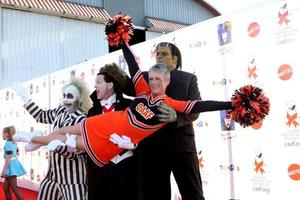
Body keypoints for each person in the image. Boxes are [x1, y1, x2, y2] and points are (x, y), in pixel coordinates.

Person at [13, 44, 232, 169]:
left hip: (125, 138)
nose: (154, 82)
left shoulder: (172, 99)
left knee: (70, 141)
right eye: (152, 78)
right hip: (110, 123)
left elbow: (200, 105)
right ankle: (36, 139)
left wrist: (232, 103)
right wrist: (123, 40)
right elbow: (133, 65)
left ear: (167, 80)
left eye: (159, 79)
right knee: (64, 132)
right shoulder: (143, 88)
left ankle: (34, 139)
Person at [137, 42, 206, 200]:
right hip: (152, 148)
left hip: (182, 146)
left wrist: (177, 117)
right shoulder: (146, 77)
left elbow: (196, 108)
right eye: (157, 54)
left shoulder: (189, 78)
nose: (159, 56)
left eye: (164, 54)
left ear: (175, 59)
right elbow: (127, 85)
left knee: (193, 193)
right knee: (154, 194)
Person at [12, 79, 92, 200]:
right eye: (64, 96)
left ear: (79, 98)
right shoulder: (60, 111)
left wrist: (58, 147)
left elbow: (76, 154)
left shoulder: (82, 120)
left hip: (73, 180)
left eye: (70, 96)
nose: (65, 100)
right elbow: (41, 116)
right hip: (52, 177)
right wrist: (25, 98)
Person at [86, 64, 139, 200]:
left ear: (110, 85)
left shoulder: (130, 106)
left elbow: (142, 133)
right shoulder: (92, 112)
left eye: (98, 82)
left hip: (126, 168)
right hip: (99, 171)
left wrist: (134, 145)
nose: (95, 87)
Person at [1, 126, 26, 200]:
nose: (1, 134)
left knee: (14, 188)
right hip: (11, 165)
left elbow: (9, 157)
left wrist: (4, 170)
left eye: (2, 133)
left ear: (6, 134)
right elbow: (17, 153)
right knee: (5, 187)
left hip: (10, 166)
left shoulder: (9, 143)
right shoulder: (12, 143)